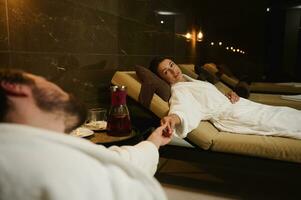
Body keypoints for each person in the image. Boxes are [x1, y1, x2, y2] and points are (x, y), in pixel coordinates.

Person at [0, 69, 171, 200]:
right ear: (14, 87)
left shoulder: (41, 149)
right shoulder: (21, 163)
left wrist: (154, 141)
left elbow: (117, 160)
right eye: (44, 80)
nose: (59, 87)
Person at [149, 57, 301, 140]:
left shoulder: (190, 80)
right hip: (232, 116)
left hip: (238, 105)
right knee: (278, 121)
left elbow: (209, 96)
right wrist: (173, 119)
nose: (173, 70)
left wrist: (229, 94)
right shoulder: (179, 91)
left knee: (282, 112)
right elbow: (183, 108)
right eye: (166, 71)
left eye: (172, 64)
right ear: (162, 78)